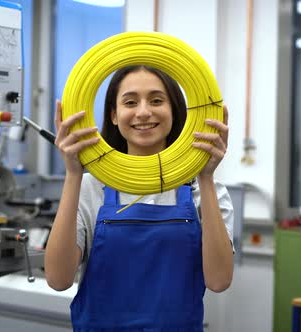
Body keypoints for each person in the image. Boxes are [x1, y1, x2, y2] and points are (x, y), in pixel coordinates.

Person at [45, 65, 234, 331]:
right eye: (130, 102)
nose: (143, 112)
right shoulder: (90, 187)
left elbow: (219, 281)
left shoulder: (203, 190)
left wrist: (205, 177)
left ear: (175, 111)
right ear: (114, 115)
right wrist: (73, 173)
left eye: (157, 100)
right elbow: (57, 279)